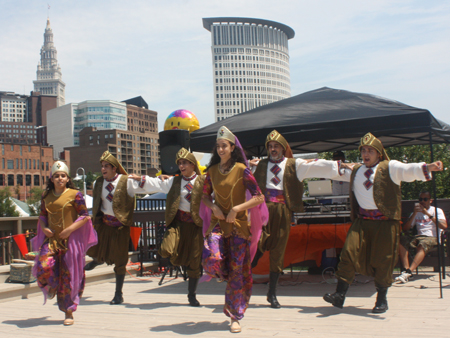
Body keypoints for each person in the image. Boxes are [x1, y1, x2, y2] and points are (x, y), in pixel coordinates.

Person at [323, 132, 443, 313]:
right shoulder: (356, 170)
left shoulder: (390, 167)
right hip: (362, 222)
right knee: (348, 253)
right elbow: (332, 169)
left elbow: (408, 169)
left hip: (385, 223)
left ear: (379, 153)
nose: (366, 153)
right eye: (363, 150)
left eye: (370, 150)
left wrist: (429, 167)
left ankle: (381, 299)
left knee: (383, 260)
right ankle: (340, 295)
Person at [250, 130, 351, 309]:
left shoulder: (294, 164)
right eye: (270, 146)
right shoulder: (259, 164)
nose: (273, 149)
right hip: (263, 210)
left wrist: (341, 166)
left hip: (282, 210)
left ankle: (271, 294)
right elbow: (238, 173)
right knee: (256, 245)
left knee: (278, 250)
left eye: (276, 146)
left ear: (283, 148)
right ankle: (243, 278)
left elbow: (318, 166)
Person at [201, 126, 266, 333]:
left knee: (238, 274)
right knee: (212, 259)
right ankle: (224, 272)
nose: (221, 150)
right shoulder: (211, 171)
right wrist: (213, 207)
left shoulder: (241, 169)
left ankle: (234, 316)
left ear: (232, 148)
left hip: (238, 228)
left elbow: (258, 196)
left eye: (224, 146)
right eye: (218, 146)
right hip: (218, 225)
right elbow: (204, 196)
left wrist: (237, 209)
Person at [129, 147, 205, 306]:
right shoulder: (174, 181)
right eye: (180, 163)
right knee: (165, 249)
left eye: (185, 163)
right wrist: (139, 178)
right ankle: (178, 259)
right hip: (178, 224)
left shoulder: (203, 181)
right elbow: (156, 183)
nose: (182, 166)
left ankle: (192, 295)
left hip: (196, 226)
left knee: (195, 262)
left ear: (192, 164)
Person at [32, 161, 97, 326]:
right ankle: (52, 285)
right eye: (56, 176)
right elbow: (42, 216)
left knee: (69, 278)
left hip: (70, 241)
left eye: (63, 176)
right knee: (43, 266)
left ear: (67, 178)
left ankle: (68, 312)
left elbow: (85, 216)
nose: (60, 179)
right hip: (52, 240)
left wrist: (69, 230)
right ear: (52, 179)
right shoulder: (46, 196)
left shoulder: (75, 194)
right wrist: (45, 228)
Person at [85, 151, 147, 305]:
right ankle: (97, 260)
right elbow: (97, 204)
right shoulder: (98, 182)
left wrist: (161, 180)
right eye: (102, 166)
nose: (103, 169)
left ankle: (118, 294)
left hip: (121, 227)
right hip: (104, 224)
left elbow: (146, 187)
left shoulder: (127, 181)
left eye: (106, 166)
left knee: (120, 260)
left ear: (114, 168)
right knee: (97, 250)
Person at [395, 191, 447, 283]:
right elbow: (406, 229)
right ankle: (406, 270)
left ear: (430, 201)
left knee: (422, 244)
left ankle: (409, 271)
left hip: (432, 237)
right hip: (418, 236)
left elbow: (444, 226)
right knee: (401, 240)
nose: (422, 201)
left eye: (425, 199)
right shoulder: (416, 212)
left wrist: (427, 214)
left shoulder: (437, 211)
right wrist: (414, 213)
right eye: (420, 199)